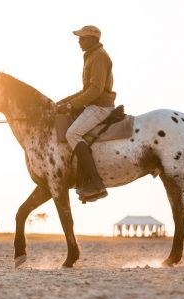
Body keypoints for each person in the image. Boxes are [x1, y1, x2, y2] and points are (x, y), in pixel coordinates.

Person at [57, 25, 116, 202]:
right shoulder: (92, 55)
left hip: (100, 107)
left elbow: (95, 90)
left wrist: (70, 106)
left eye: (82, 38)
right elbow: (86, 90)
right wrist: (63, 102)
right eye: (79, 38)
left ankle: (95, 183)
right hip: (93, 105)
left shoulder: (99, 56)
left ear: (92, 39)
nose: (79, 41)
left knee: (72, 133)